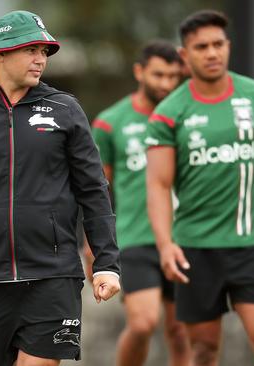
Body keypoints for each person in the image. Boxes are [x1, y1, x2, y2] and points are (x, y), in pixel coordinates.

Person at [0, 10, 121, 366]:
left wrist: (107, 262)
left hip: (54, 276)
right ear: (0, 53)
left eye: (45, 52)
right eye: (31, 49)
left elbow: (94, 190)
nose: (40, 59)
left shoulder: (65, 109)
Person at [146, 10, 254, 366]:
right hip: (195, 248)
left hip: (251, 245)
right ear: (185, 55)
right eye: (202, 46)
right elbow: (159, 186)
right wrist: (165, 245)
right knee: (204, 350)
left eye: (218, 44)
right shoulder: (169, 112)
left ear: (228, 47)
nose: (212, 53)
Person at [89, 41, 190, 366]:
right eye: (158, 74)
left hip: (186, 239)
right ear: (139, 72)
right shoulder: (110, 122)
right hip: (134, 239)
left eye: (174, 76)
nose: (166, 83)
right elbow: (95, 189)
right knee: (143, 322)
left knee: (181, 331)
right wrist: (93, 242)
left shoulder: (187, 115)